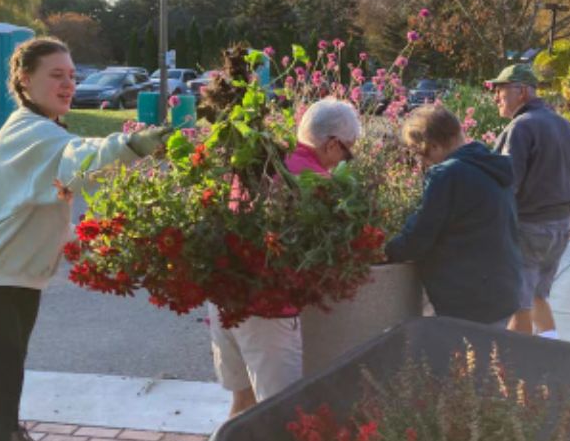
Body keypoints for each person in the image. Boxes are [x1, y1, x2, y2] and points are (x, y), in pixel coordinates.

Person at [0, 37, 168, 441]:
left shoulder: (41, 130)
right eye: (56, 75)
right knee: (1, 392)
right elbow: (81, 157)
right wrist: (133, 145)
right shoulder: (30, 133)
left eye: (72, 75)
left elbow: (44, 196)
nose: (68, 83)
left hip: (13, 282)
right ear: (25, 81)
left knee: (7, 382)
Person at [207, 98, 360, 417]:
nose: (347, 159)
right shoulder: (318, 183)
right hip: (269, 311)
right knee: (281, 415)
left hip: (224, 299)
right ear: (332, 144)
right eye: (348, 150)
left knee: (243, 403)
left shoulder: (263, 161)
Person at [385, 105, 522, 327]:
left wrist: (386, 250)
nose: (422, 162)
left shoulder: (447, 174)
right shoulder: (489, 164)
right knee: (489, 358)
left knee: (465, 359)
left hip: (469, 297)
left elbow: (420, 235)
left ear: (434, 146)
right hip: (503, 288)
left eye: (420, 153)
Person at [491, 64, 570, 338]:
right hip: (560, 226)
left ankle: (519, 371)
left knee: (519, 304)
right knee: (539, 295)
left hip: (530, 227)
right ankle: (550, 353)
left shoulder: (521, 127)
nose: (496, 97)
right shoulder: (563, 125)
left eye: (501, 90)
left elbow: (508, 183)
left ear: (522, 91)